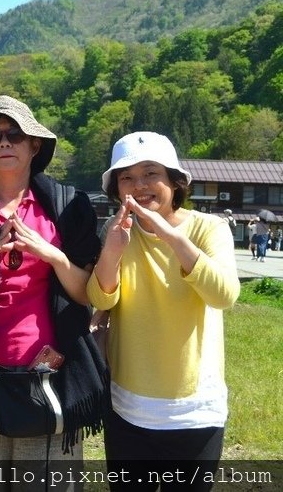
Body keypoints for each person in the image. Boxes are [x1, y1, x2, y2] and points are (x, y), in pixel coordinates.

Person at [0, 95, 106, 491]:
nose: (4, 143)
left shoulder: (67, 207)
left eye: (15, 135)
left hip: (50, 378)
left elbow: (85, 297)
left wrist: (50, 255)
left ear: (35, 146)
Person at [88, 132, 240, 491]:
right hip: (128, 408)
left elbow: (224, 295)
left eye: (150, 173)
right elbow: (102, 299)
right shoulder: (117, 230)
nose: (139, 185)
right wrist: (112, 250)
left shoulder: (208, 229)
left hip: (195, 414)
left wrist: (169, 235)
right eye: (126, 177)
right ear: (116, 188)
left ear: (174, 180)